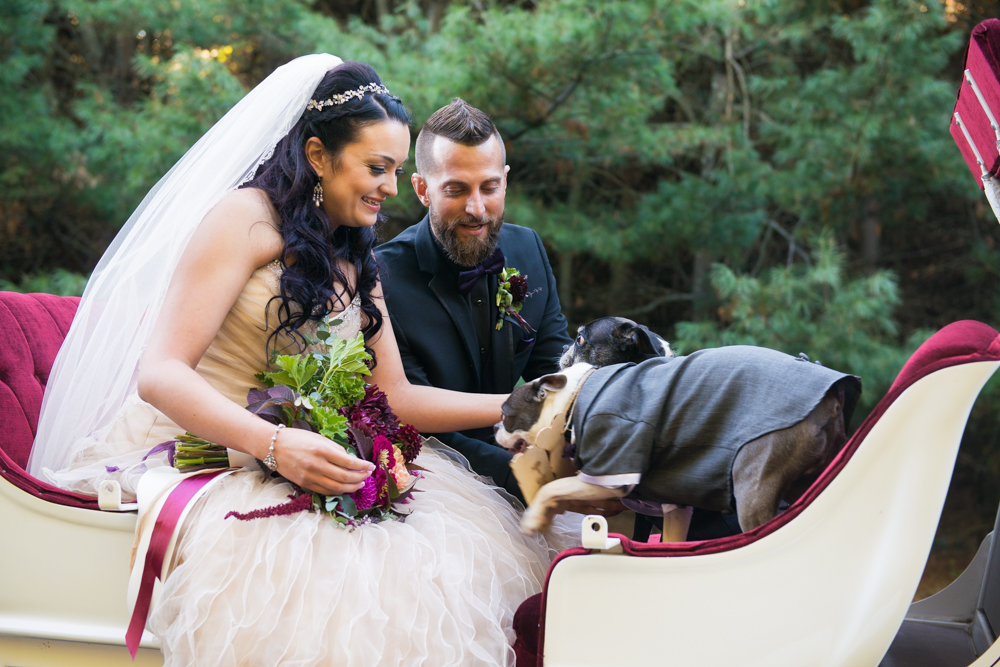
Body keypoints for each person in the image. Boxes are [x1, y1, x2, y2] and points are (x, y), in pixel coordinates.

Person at [29, 55, 574, 666]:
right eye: (376, 167)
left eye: (395, 170)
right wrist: (275, 445)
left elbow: (394, 396)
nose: (391, 189)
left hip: (307, 453)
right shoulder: (244, 219)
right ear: (318, 156)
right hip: (203, 450)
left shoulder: (353, 246)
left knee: (451, 565)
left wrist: (518, 406)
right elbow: (160, 373)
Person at [375, 99, 572, 501]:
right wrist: (535, 477)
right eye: (456, 189)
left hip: (522, 452)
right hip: (436, 476)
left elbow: (557, 365)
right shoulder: (382, 278)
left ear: (505, 180)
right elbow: (415, 424)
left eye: (489, 187)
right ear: (421, 189)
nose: (476, 209)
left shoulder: (528, 247)